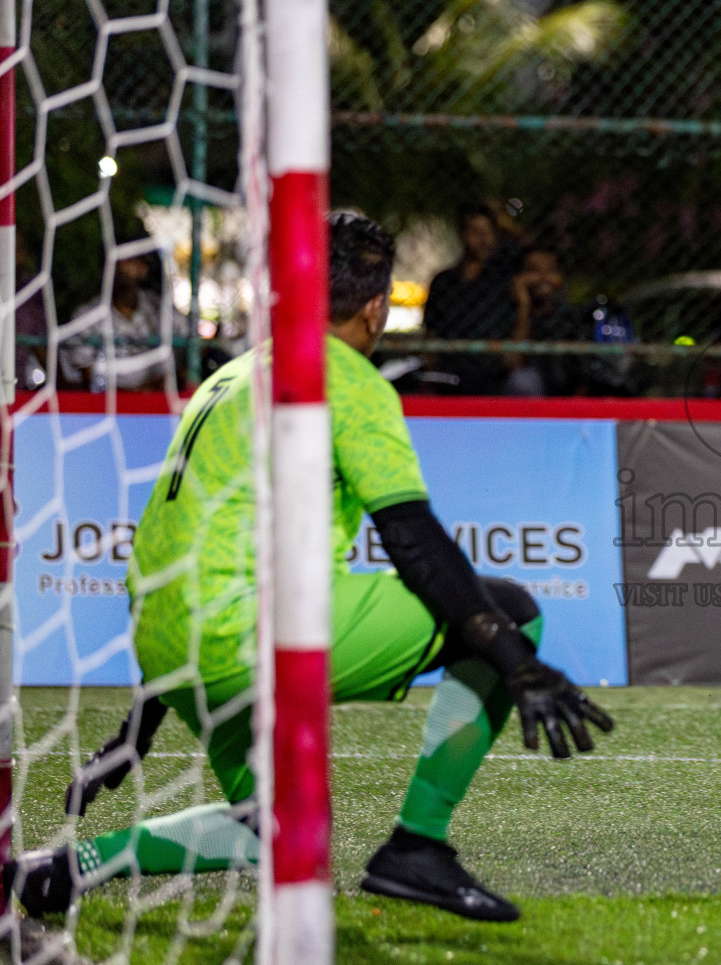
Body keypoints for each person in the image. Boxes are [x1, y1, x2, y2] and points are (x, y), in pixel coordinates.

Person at [4, 212, 613, 922]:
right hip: (244, 634)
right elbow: (413, 541)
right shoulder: (347, 383)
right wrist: (514, 658)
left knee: (282, 831)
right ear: (378, 305)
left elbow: (182, 554)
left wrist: (139, 727)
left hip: (170, 646)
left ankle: (69, 865)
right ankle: (417, 846)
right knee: (510, 606)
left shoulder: (227, 379)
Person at [422, 203, 520, 394]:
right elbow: (431, 333)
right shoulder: (444, 282)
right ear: (462, 235)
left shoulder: (504, 281)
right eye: (476, 231)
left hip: (492, 372)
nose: (483, 239)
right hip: (449, 369)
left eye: (488, 232)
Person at [60, 247, 186, 392]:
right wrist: (138, 394)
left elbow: (195, 343)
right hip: (110, 405)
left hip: (161, 400)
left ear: (143, 268)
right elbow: (88, 378)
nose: (122, 272)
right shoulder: (87, 316)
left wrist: (180, 375)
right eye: (116, 265)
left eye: (131, 262)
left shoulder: (159, 308)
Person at [504, 245, 589, 396]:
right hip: (534, 392)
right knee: (521, 381)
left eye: (550, 270)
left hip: (569, 391)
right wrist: (524, 305)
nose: (543, 277)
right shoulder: (509, 313)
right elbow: (514, 364)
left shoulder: (572, 316)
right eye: (534, 271)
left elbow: (585, 372)